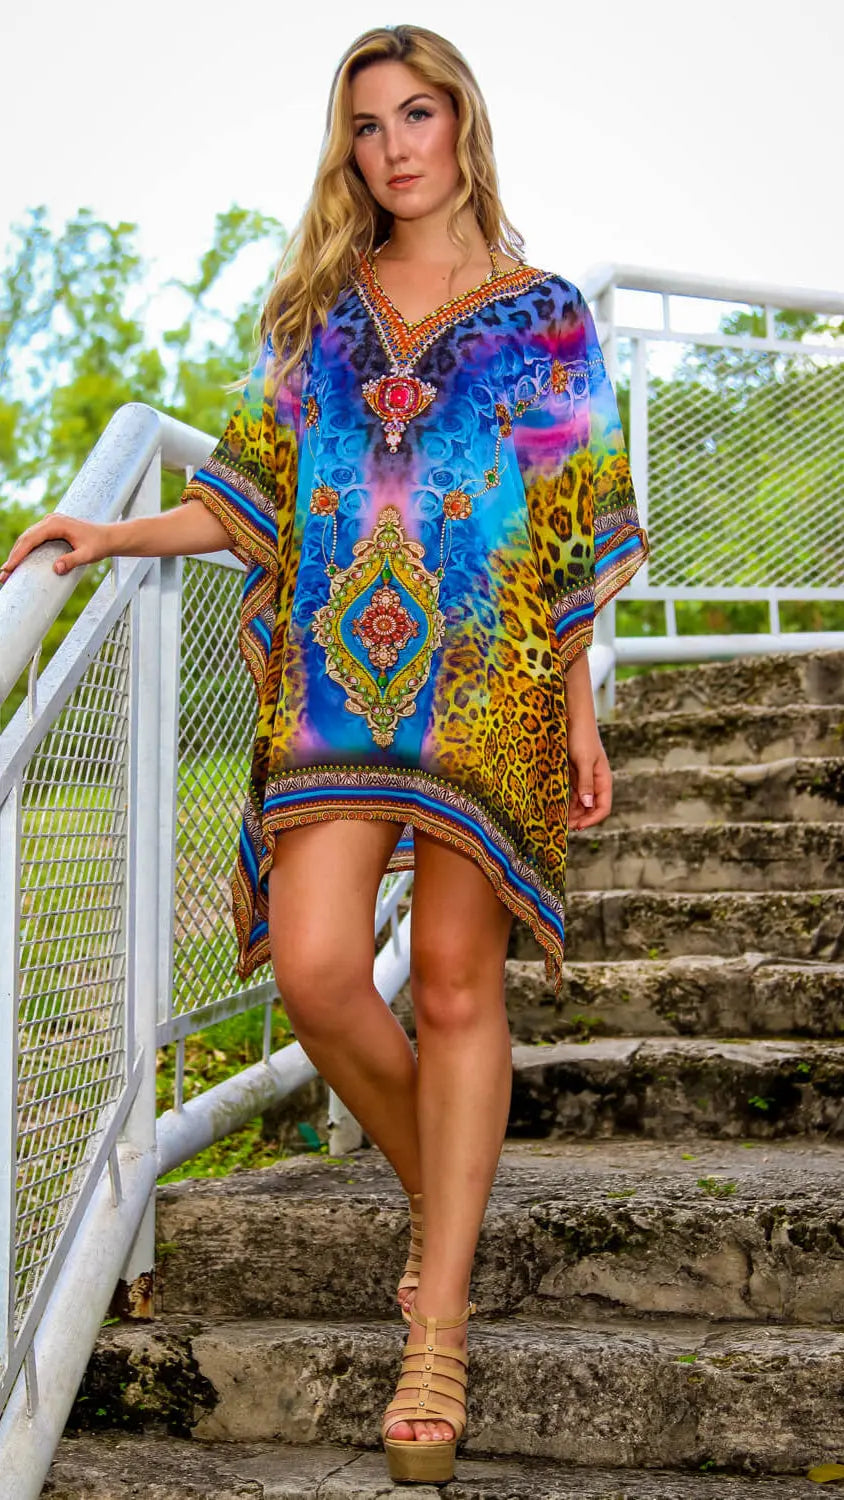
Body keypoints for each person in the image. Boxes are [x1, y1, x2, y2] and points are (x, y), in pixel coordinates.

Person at [0, 23, 649, 1485]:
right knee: (313, 965)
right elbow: (246, 497)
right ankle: (452, 1218)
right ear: (347, 146)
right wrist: (109, 530)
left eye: (418, 113)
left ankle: (440, 1328)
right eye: (368, 124)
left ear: (463, 124)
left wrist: (579, 706)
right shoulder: (316, 312)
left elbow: (567, 538)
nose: (395, 144)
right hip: (337, 693)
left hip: (490, 690)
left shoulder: (544, 314)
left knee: (466, 981)